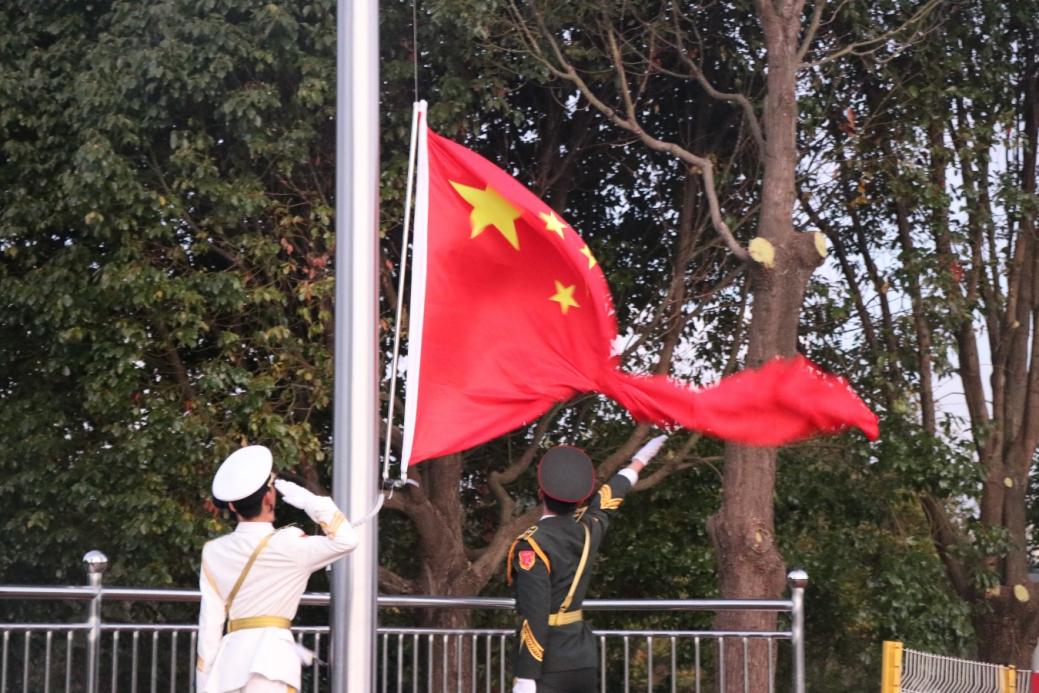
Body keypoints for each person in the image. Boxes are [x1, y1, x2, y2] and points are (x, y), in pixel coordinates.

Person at [508, 434, 668, 693]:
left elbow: (535, 613)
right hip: (582, 659)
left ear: (540, 494)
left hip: (548, 665)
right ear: (579, 501)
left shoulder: (532, 544)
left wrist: (526, 676)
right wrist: (640, 460)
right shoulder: (589, 528)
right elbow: (610, 495)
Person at [195, 445, 358, 693]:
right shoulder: (290, 543)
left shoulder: (214, 551)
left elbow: (209, 625)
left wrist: (204, 683)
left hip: (228, 669)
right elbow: (347, 540)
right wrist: (310, 502)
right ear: (269, 498)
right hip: (273, 664)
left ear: (232, 506)